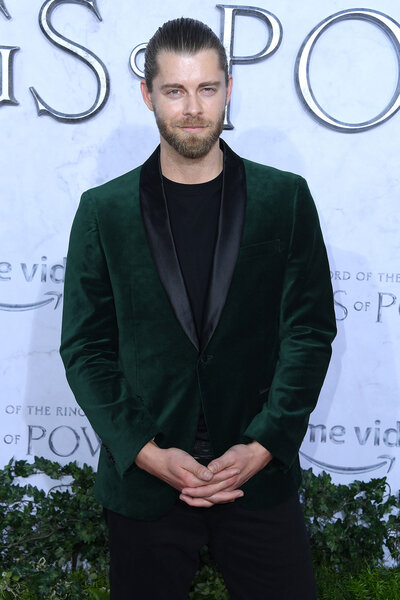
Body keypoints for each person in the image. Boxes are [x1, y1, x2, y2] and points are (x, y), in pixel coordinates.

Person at [60, 17, 336, 600]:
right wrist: (145, 452)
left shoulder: (283, 199)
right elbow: (86, 348)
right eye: (175, 90)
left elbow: (308, 333)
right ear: (147, 94)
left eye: (207, 89)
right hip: (149, 480)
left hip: (257, 475)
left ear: (228, 89)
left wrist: (265, 444)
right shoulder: (102, 210)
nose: (192, 108)